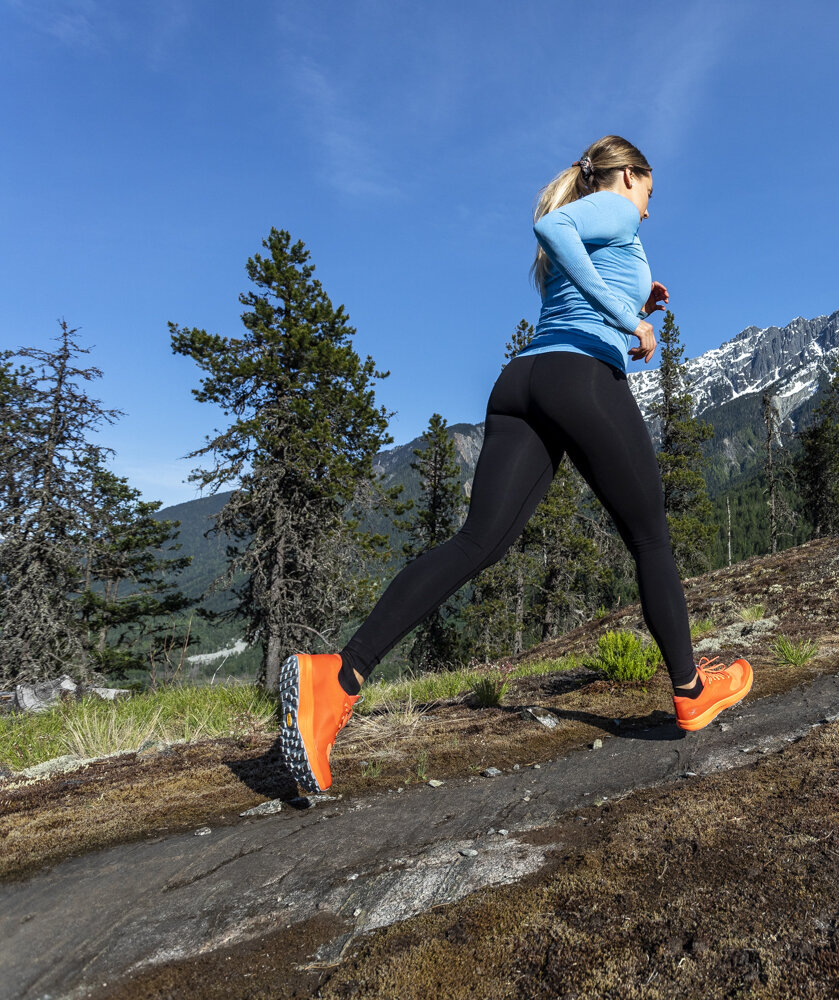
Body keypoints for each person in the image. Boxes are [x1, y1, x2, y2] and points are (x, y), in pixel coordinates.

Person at [279, 135, 753, 793]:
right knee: (650, 538)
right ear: (629, 175)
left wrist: (635, 302)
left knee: (478, 540)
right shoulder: (610, 207)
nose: (648, 210)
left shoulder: (605, 225)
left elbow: (574, 272)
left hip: (524, 381)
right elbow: (553, 226)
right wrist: (628, 317)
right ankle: (693, 689)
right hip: (581, 378)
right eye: (650, 192)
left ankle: (337, 677)